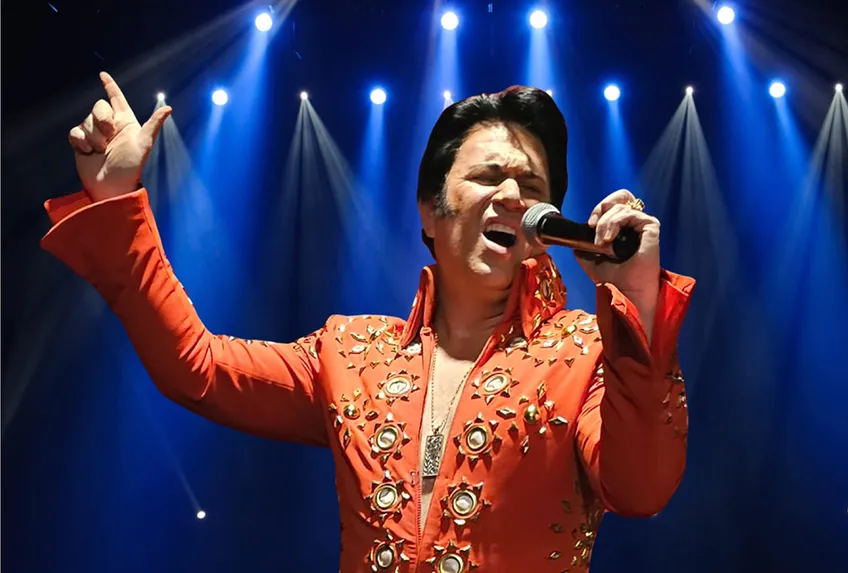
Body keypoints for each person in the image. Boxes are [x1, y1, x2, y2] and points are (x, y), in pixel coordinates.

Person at [42, 72, 695, 572]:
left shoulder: (586, 349)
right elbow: (199, 368)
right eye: (489, 174)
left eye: (532, 183)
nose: (512, 195)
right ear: (430, 213)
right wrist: (118, 201)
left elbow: (640, 488)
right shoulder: (351, 353)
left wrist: (637, 301)